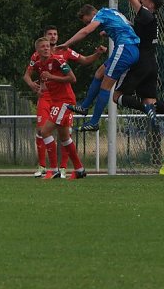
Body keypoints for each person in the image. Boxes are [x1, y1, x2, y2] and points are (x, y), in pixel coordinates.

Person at [24, 26, 106, 177]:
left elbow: (73, 76)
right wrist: (36, 85)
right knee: (62, 136)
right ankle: (79, 169)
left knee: (46, 131)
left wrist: (97, 54)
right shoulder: (37, 60)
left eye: (55, 35)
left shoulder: (61, 56)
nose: (51, 41)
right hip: (51, 99)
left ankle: (55, 169)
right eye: (49, 36)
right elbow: (29, 75)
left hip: (64, 101)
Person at [59, 4, 140, 131]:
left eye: (88, 21)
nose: (88, 24)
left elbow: (86, 31)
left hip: (125, 49)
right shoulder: (110, 11)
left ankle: (94, 122)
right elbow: (125, 25)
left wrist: (67, 44)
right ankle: (84, 107)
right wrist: (106, 32)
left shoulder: (100, 15)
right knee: (99, 73)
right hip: (130, 48)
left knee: (105, 86)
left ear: (92, 14)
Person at [110, 0, 164, 123]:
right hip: (152, 63)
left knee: (117, 96)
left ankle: (144, 109)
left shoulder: (146, 15)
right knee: (150, 100)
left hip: (140, 61)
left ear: (151, 4)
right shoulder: (151, 16)